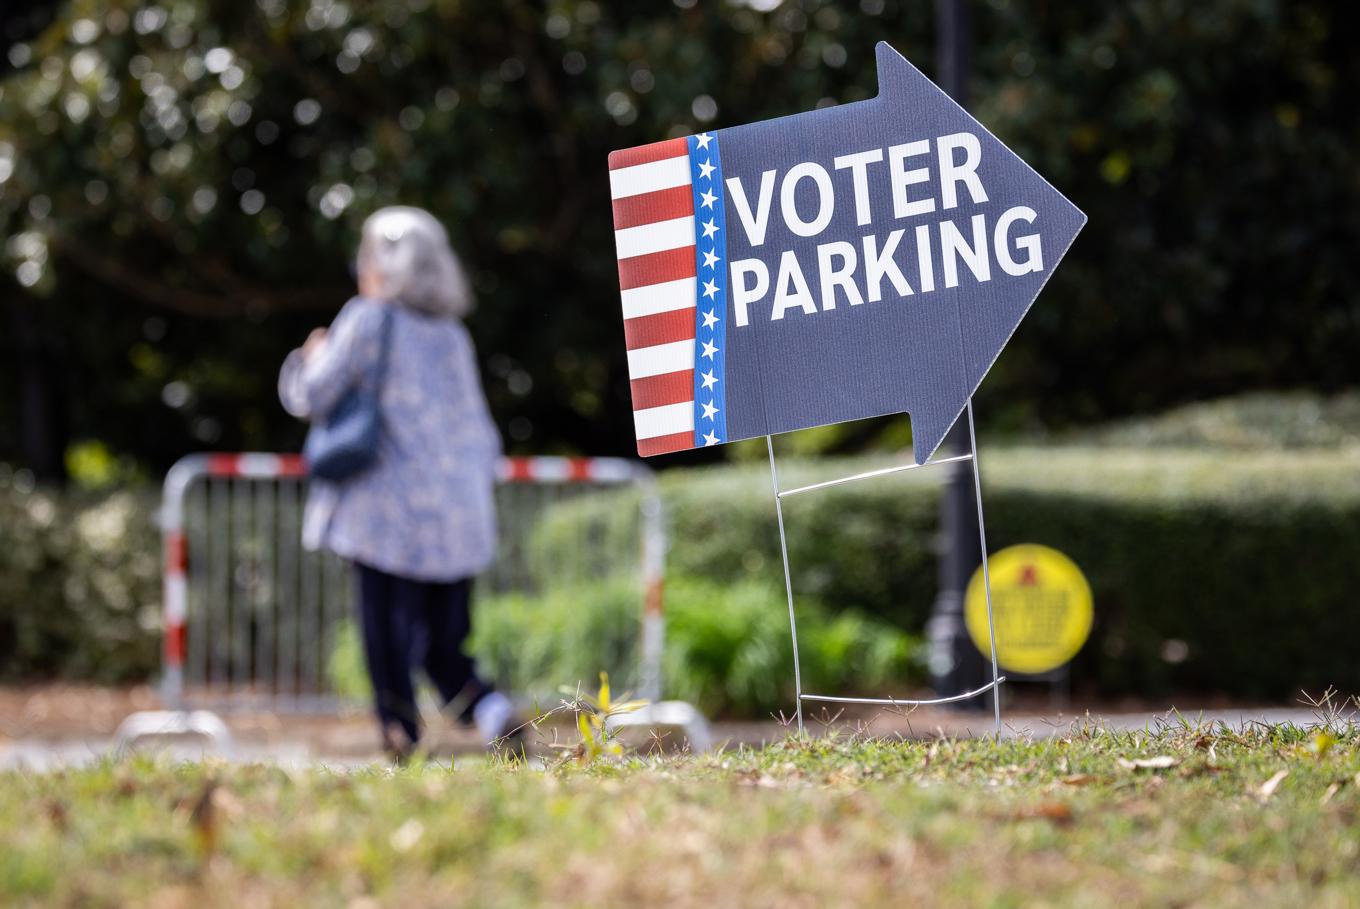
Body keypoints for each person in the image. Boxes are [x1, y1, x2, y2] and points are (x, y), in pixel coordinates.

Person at [278, 206, 515, 760]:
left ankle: (400, 737)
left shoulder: (369, 318)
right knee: (443, 646)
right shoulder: (453, 336)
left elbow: (311, 395)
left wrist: (307, 356)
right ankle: (495, 714)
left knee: (385, 642)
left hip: (386, 520)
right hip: (458, 519)